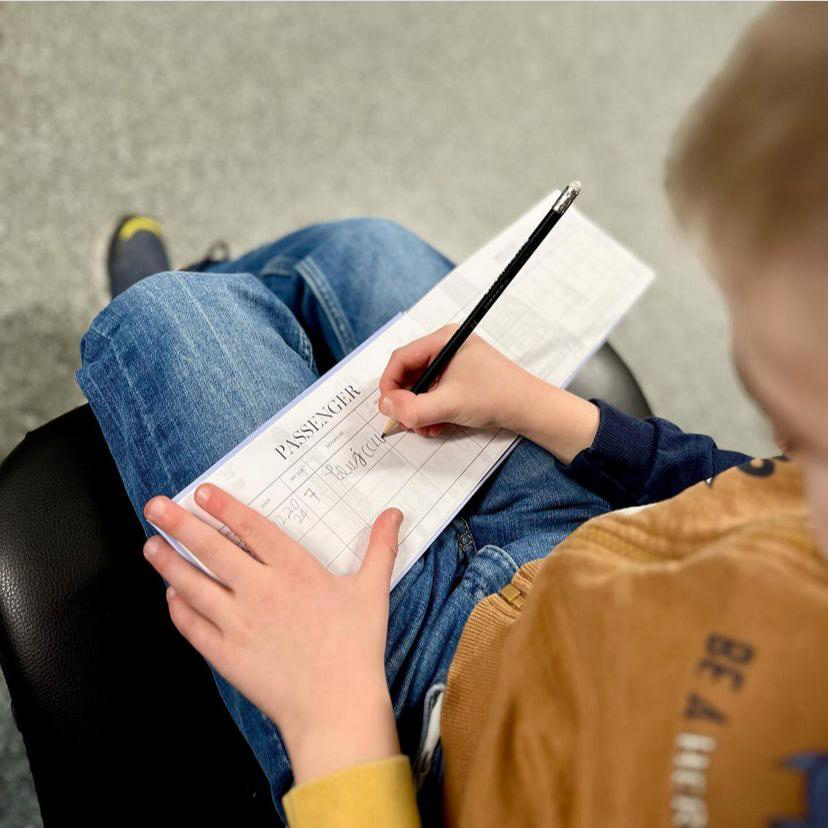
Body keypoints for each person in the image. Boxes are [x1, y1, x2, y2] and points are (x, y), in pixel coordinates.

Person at [77, 4, 828, 825]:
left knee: (166, 322)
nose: (784, 451)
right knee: (368, 248)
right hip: (575, 543)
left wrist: (334, 718)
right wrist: (538, 406)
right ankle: (218, 320)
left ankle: (190, 320)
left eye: (803, 432)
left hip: (406, 722)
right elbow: (735, 485)